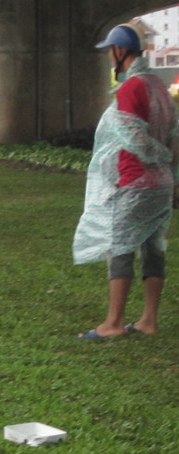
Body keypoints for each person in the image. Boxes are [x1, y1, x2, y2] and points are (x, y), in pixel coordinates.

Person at [73, 23, 179, 339]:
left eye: (110, 50)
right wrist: (172, 175)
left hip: (136, 182)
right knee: (153, 248)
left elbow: (134, 137)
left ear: (120, 51)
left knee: (119, 248)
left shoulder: (131, 88)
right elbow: (175, 138)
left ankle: (114, 323)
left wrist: (159, 156)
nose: (108, 56)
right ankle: (148, 320)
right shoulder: (160, 88)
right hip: (160, 185)